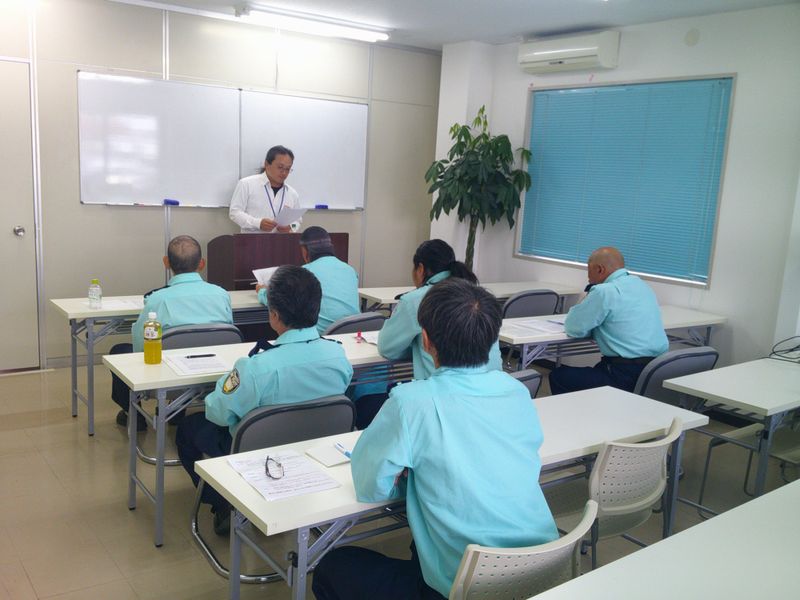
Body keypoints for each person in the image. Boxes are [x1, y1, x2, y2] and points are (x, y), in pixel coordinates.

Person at [312, 279, 559, 600]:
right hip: (541, 572)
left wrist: (409, 476)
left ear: (426, 341)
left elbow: (370, 486)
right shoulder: (516, 391)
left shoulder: (411, 402)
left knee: (332, 567)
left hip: (463, 588)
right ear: (492, 339)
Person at [175, 265, 353, 534]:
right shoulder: (339, 357)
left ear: (274, 314)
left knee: (189, 428)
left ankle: (223, 503)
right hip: (314, 452)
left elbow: (217, 413)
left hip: (258, 455)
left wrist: (224, 383)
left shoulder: (256, 367)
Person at [110, 235, 232, 430]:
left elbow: (141, 347)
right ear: (202, 264)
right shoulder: (221, 294)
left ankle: (135, 417)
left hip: (168, 377)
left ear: (166, 263)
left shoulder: (157, 299)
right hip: (215, 375)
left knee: (119, 352)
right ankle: (176, 409)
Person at [548, 246, 669, 395]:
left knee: (559, 376)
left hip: (623, 374)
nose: (588, 276)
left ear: (600, 269)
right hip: (655, 370)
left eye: (589, 270)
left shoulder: (604, 291)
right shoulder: (642, 286)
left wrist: (589, 296)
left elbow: (574, 328)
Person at [378, 239, 502, 380]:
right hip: (494, 384)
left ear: (420, 269)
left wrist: (416, 345)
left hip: (446, 388)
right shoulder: (478, 297)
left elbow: (387, 348)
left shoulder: (415, 300)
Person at [256, 226, 359, 334]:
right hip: (354, 333)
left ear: (305, 252)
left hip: (322, 335)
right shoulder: (350, 270)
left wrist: (262, 291)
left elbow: (279, 301)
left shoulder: (304, 274)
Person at [228, 145, 302, 233]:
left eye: (288, 169)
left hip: (280, 241)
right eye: (280, 167)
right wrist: (257, 223)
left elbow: (298, 222)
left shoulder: (292, 193)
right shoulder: (246, 184)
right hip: (252, 240)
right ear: (267, 164)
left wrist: (291, 227)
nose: (284, 173)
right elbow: (235, 212)